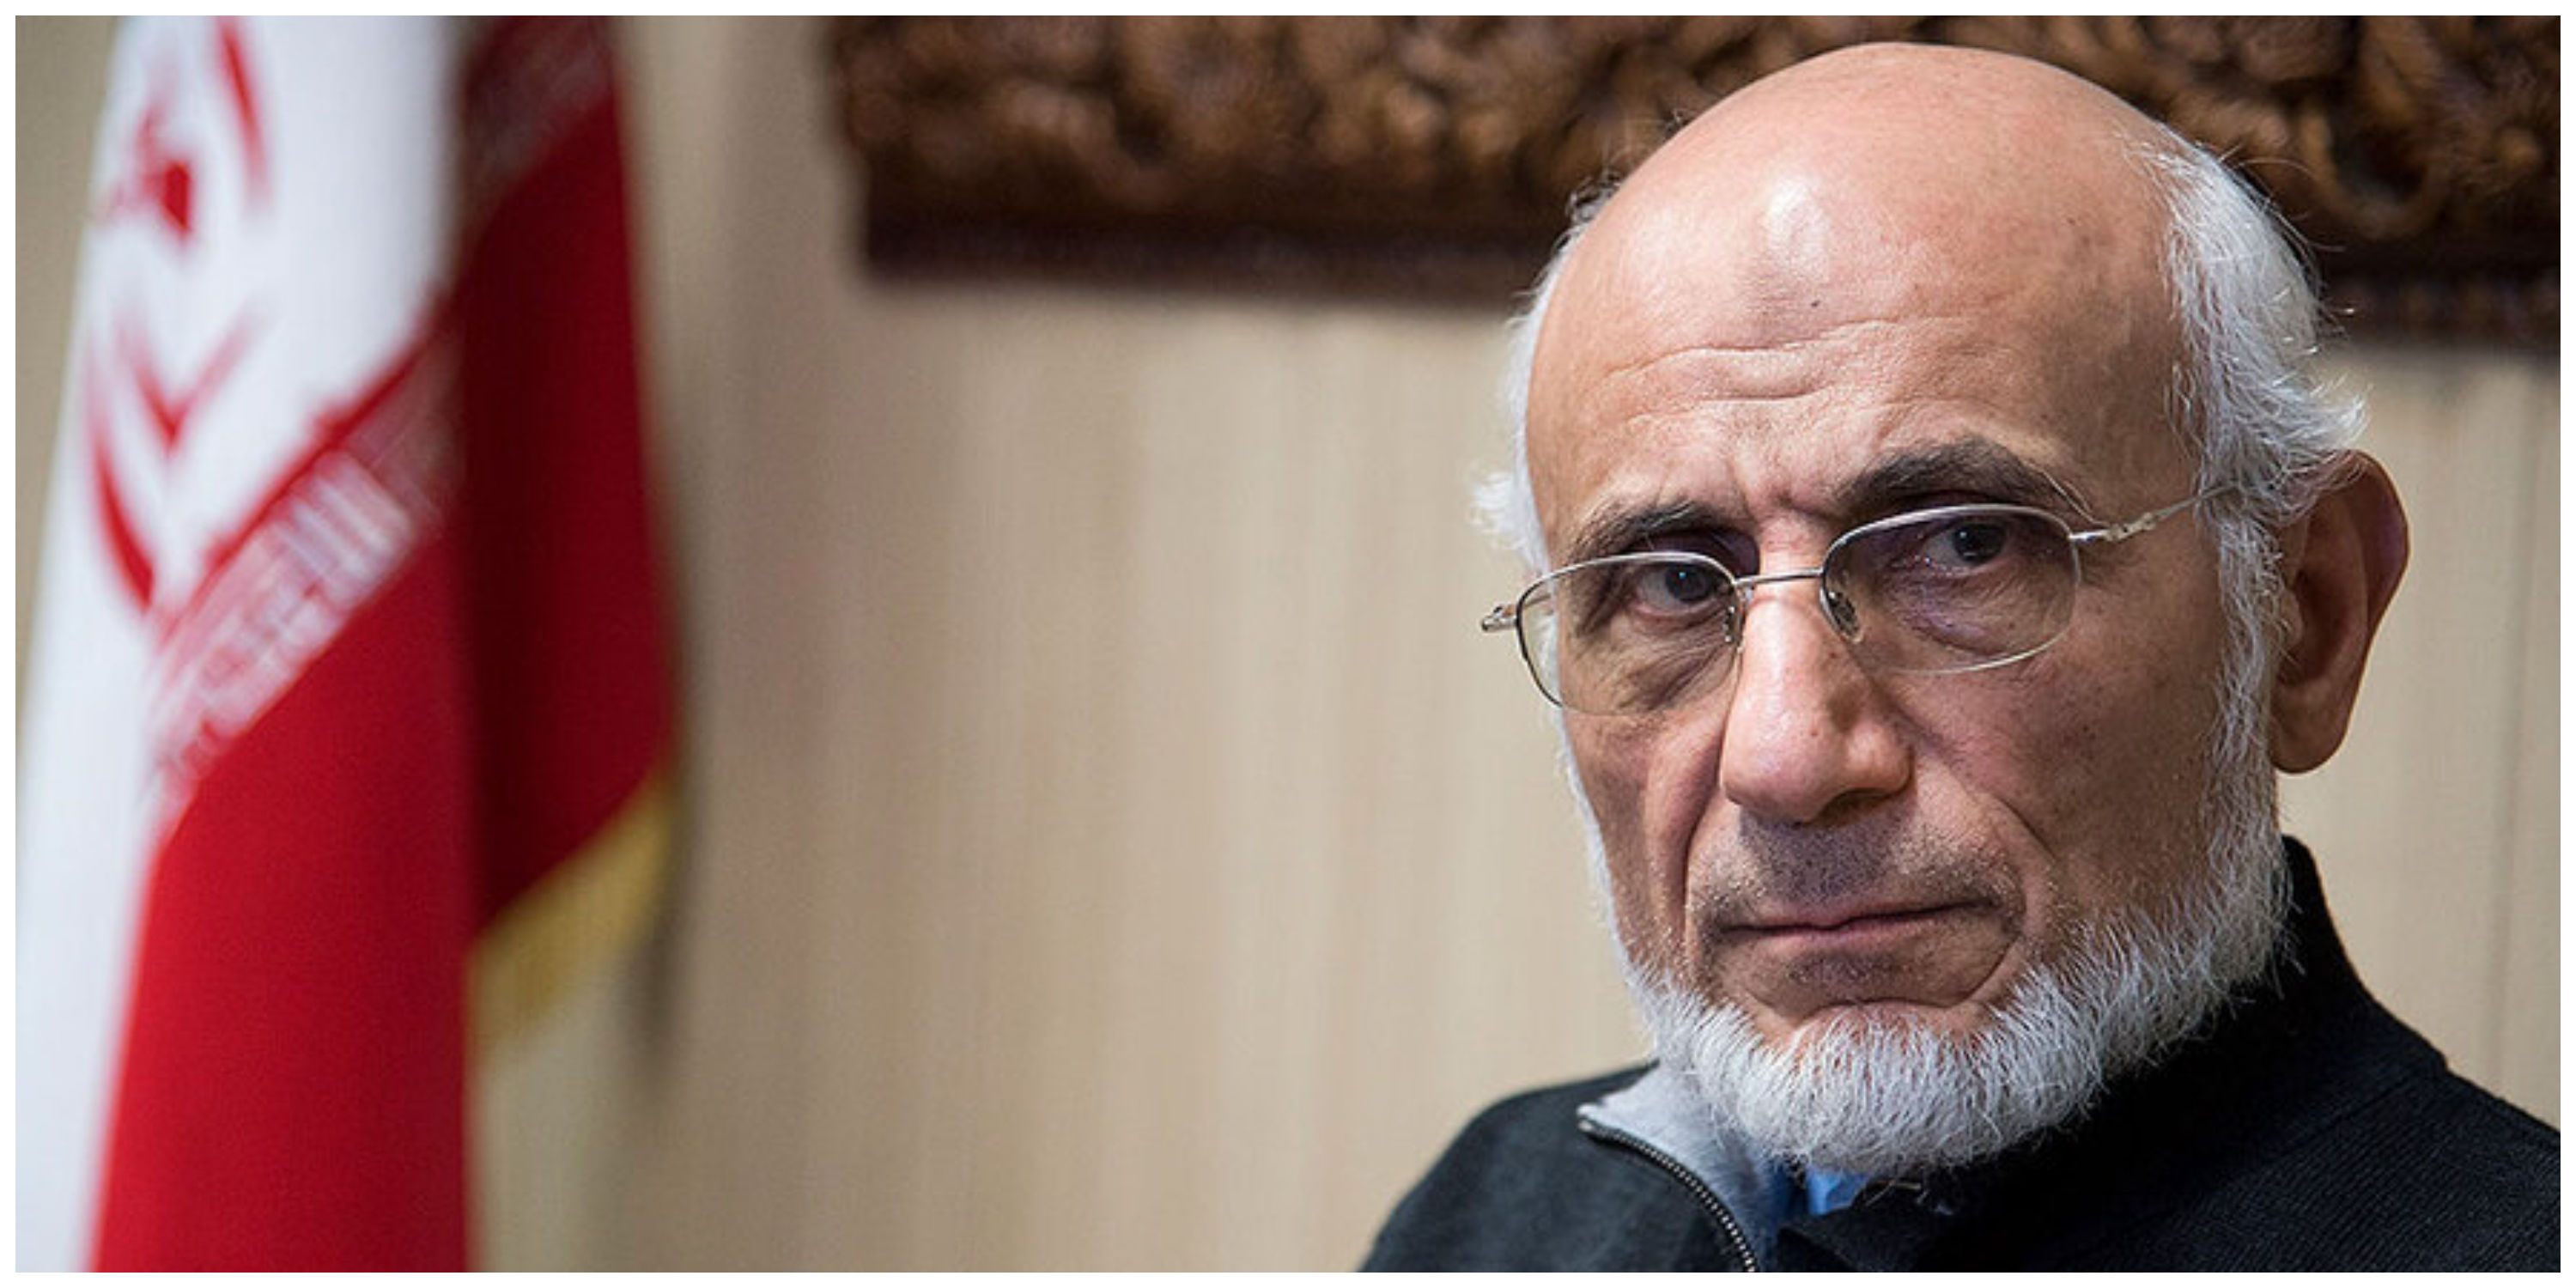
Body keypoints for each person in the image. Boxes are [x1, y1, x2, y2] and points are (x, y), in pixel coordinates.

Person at [1364, 43, 2556, 1272]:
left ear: (2304, 616)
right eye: (1672, 584)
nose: (1784, 761)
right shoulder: (1494, 1223)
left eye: (1962, 547)